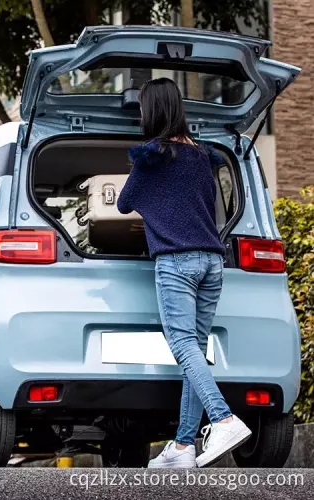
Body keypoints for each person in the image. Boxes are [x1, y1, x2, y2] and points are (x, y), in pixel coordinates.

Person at [117, 77, 251, 468]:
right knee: (195, 351)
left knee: (182, 346)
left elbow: (125, 203)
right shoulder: (203, 155)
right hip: (212, 263)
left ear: (152, 110)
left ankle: (223, 419)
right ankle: (182, 447)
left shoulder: (152, 156)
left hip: (177, 262)